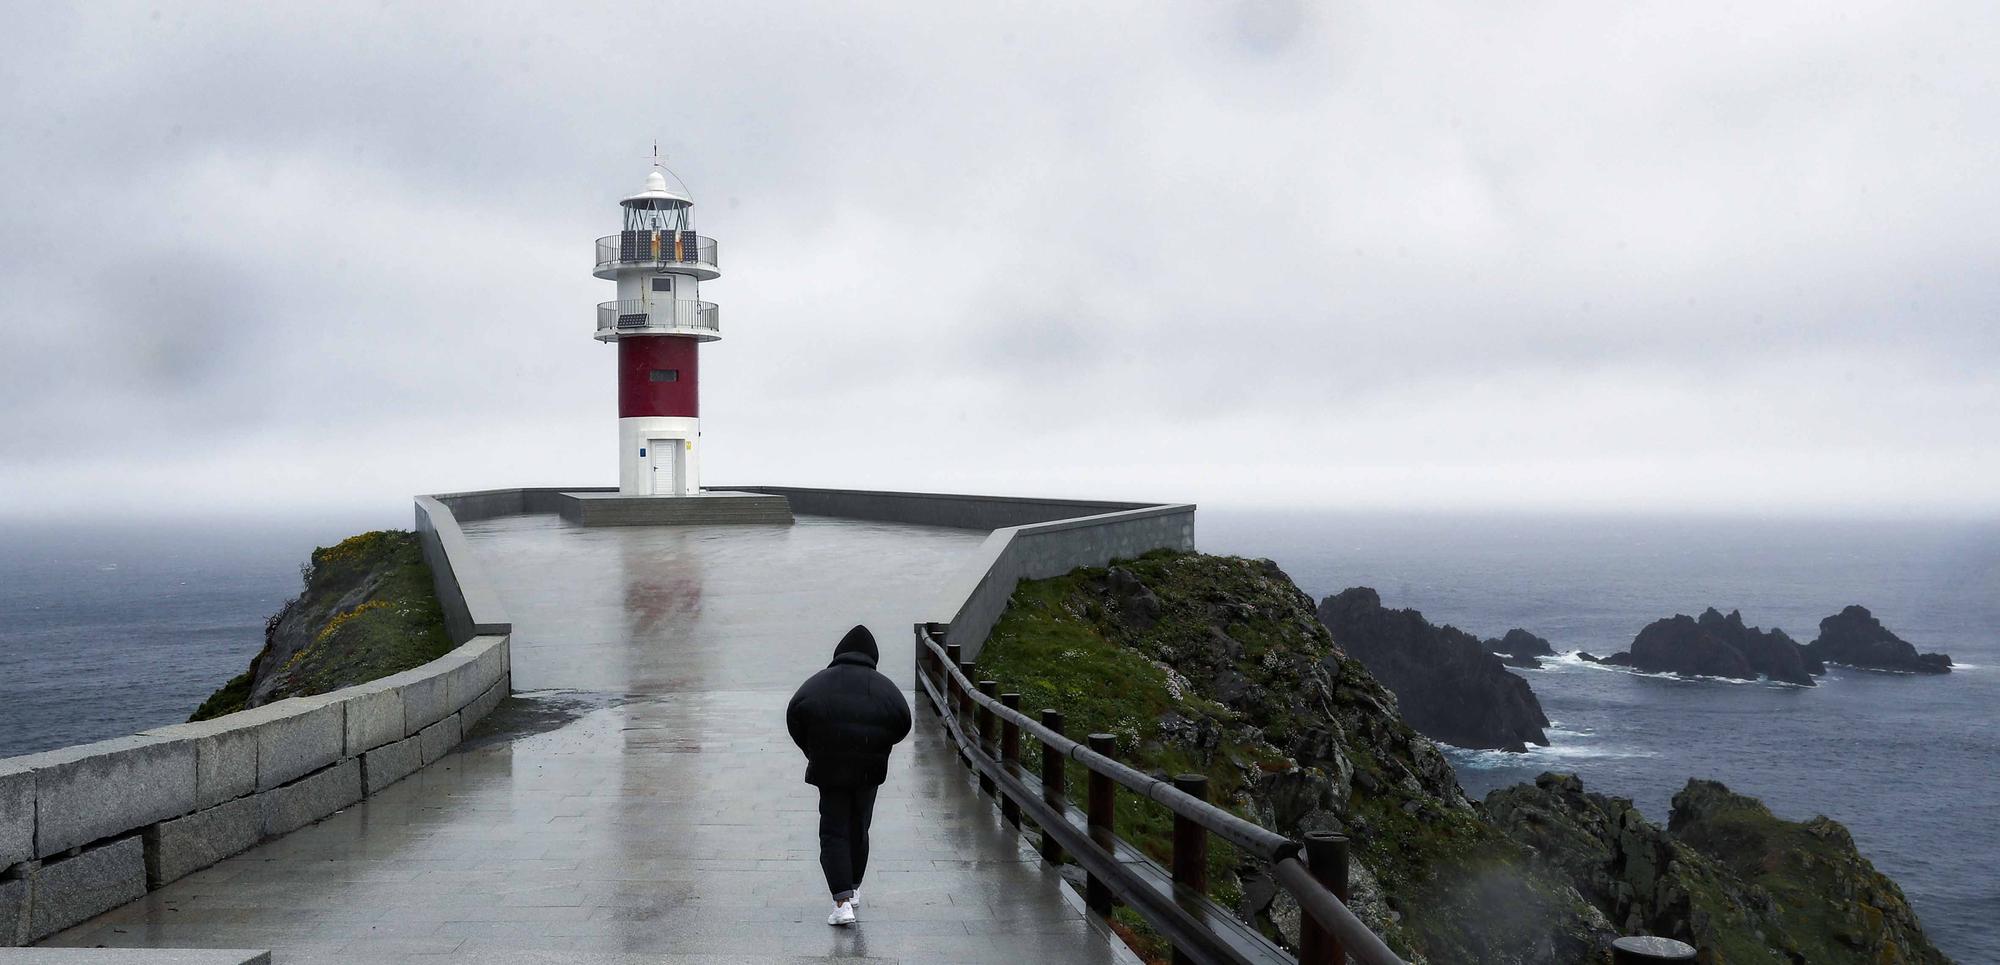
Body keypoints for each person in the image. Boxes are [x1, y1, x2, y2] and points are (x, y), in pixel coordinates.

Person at [785, 624, 912, 926]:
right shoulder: (884, 687)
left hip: (829, 768)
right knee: (859, 826)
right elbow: (903, 722)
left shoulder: (817, 684)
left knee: (833, 830)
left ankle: (841, 901)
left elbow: (794, 715)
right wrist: (880, 745)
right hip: (868, 770)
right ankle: (853, 886)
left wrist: (812, 749)